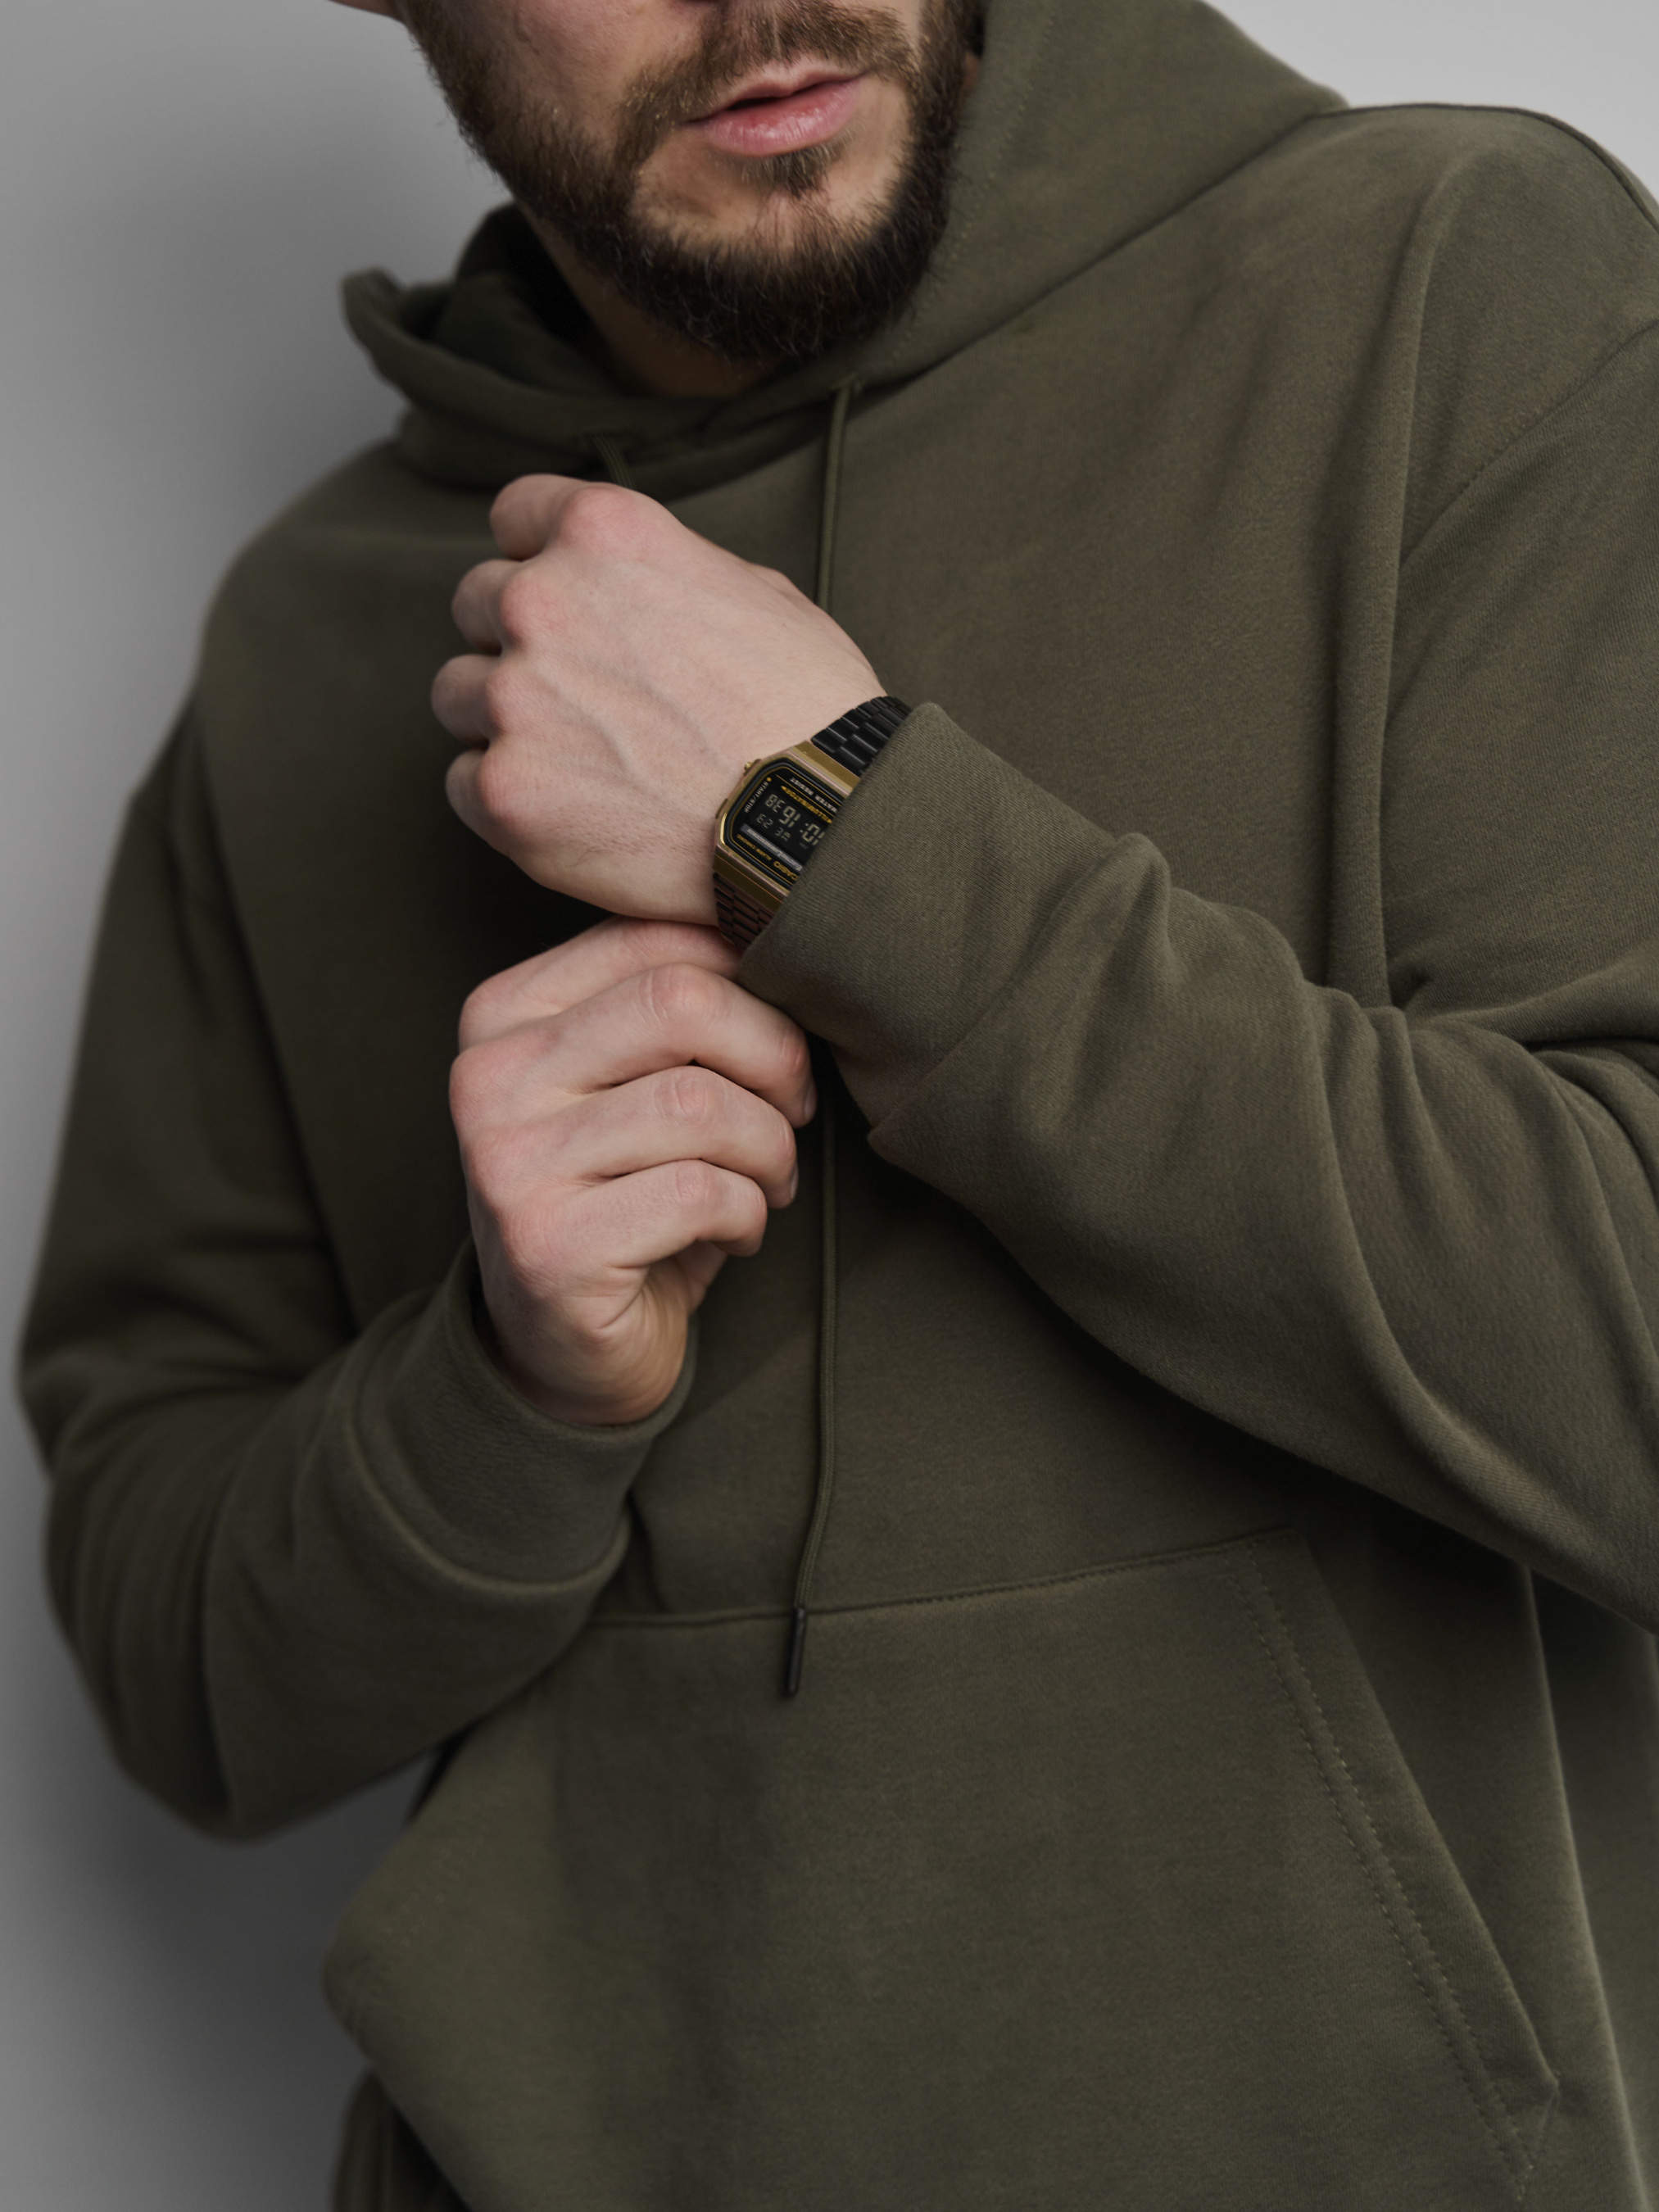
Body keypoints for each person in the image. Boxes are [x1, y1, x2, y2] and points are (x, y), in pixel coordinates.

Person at [20, 0, 1659, 2203]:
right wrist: (501, 1395)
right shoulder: (311, 633)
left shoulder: (1452, 284)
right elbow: (178, 1672)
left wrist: (836, 832)